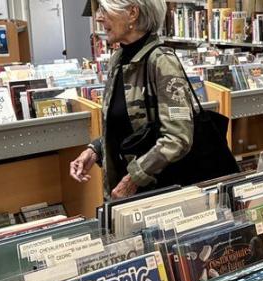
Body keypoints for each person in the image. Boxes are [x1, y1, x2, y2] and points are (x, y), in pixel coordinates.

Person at [70, 0, 195, 199]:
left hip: (158, 196)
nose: (99, 17)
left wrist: (133, 179)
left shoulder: (162, 61)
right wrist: (95, 149)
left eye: (105, 10)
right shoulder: (118, 59)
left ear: (133, 13)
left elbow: (178, 138)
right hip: (123, 194)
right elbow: (127, 128)